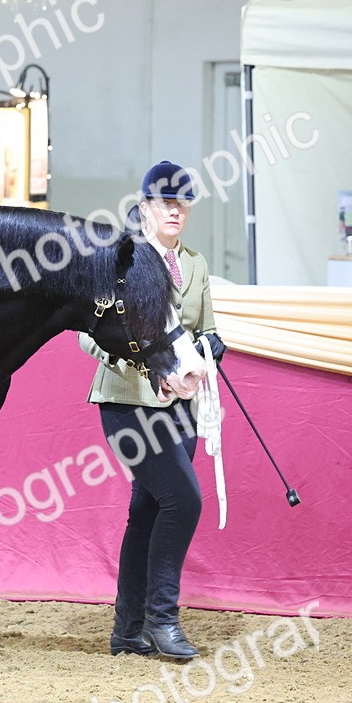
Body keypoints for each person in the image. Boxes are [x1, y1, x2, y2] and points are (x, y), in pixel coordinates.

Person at [78, 160, 226, 660]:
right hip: (128, 401)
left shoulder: (197, 264)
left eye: (182, 203)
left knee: (145, 512)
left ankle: (127, 631)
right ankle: (163, 619)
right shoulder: (122, 261)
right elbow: (86, 333)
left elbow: (201, 326)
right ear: (144, 208)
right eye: (165, 202)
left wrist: (212, 343)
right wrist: (136, 362)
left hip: (180, 406)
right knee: (183, 501)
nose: (175, 211)